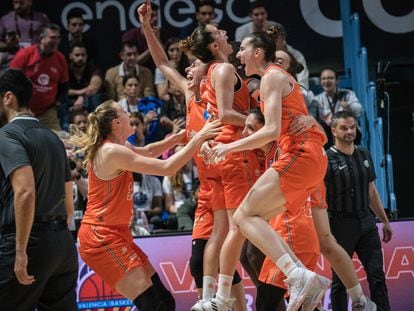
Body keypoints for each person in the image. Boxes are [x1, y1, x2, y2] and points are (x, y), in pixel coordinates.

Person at [208, 28, 376, 311]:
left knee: (243, 216)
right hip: (306, 158)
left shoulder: (273, 76)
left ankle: (290, 277)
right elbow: (303, 127)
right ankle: (327, 288)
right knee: (251, 220)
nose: (238, 55)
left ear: (258, 53)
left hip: (300, 155)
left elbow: (272, 130)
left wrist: (228, 147)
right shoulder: (271, 82)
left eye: (243, 50)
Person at [138, 3, 248, 310]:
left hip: (229, 174)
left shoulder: (219, 83)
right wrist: (146, 26)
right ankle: (216, 300)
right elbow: (161, 62)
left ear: (205, 71)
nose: (188, 69)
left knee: (235, 253)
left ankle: (220, 300)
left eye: (193, 66)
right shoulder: (190, 96)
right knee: (200, 260)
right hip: (207, 188)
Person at [70, 99, 221, 310]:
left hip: (116, 233)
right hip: (100, 237)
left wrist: (177, 137)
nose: (129, 114)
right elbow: (168, 168)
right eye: (124, 111)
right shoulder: (111, 152)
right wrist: (199, 139)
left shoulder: (121, 146)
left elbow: (149, 151)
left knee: (166, 303)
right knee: (153, 306)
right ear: (116, 123)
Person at [179, 21, 260, 311]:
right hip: (232, 155)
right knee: (238, 227)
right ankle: (221, 295)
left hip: (217, 158)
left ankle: (209, 298)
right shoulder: (223, 70)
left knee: (223, 230)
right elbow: (226, 114)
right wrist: (262, 122)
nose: (226, 34)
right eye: (220, 33)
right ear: (214, 45)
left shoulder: (213, 74)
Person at [0, 69, 78, 310]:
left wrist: (21, 251)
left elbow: (25, 191)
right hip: (62, 244)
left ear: (8, 97)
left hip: (27, 241)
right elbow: (68, 202)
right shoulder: (53, 137)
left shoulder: (7, 135)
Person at [326, 111, 392, 311]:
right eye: (344, 128)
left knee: (377, 276)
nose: (349, 132)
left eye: (352, 127)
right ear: (334, 130)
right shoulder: (325, 159)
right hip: (340, 225)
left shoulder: (364, 154)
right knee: (339, 281)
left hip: (366, 222)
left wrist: (384, 221)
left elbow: (372, 192)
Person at [10, 23, 68, 131]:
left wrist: (57, 104)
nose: (56, 41)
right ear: (42, 38)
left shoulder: (60, 59)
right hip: (22, 110)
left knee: (58, 142)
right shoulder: (26, 54)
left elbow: (64, 86)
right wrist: (22, 106)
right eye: (52, 37)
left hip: (47, 112)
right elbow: (11, 80)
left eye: (58, 38)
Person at [60, 43, 102, 131]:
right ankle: (65, 129)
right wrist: (80, 93)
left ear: (86, 56)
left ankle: (96, 127)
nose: (80, 58)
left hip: (86, 102)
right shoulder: (65, 69)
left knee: (94, 97)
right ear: (71, 56)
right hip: (69, 103)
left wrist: (82, 97)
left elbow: (94, 88)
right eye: (77, 55)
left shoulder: (92, 69)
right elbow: (60, 90)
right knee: (61, 100)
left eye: (83, 55)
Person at [122, 2, 171, 72]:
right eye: (152, 16)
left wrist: (157, 39)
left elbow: (167, 59)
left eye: (156, 15)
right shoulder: (130, 36)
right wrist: (152, 45)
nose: (155, 19)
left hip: (162, 72)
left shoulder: (164, 34)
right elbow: (132, 61)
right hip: (138, 73)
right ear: (142, 17)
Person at [0, 0, 49, 68]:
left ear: (30, 2)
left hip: (37, 64)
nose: (18, 6)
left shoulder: (42, 18)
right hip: (12, 64)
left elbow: (50, 39)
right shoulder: (5, 19)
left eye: (21, 2)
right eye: (15, 2)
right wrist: (8, 45)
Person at [272, 23, 310, 89]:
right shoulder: (266, 56)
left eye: (275, 37)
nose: (272, 41)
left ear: (283, 37)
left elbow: (303, 81)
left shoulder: (296, 55)